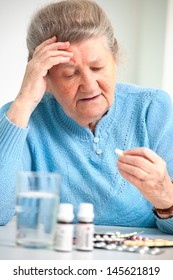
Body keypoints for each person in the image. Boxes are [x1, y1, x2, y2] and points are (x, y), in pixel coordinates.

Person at [0, 0, 173, 234]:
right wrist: (23, 102)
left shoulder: (152, 108)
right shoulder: (21, 118)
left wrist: (166, 199)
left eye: (98, 67)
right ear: (44, 78)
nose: (89, 86)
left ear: (114, 58)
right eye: (70, 74)